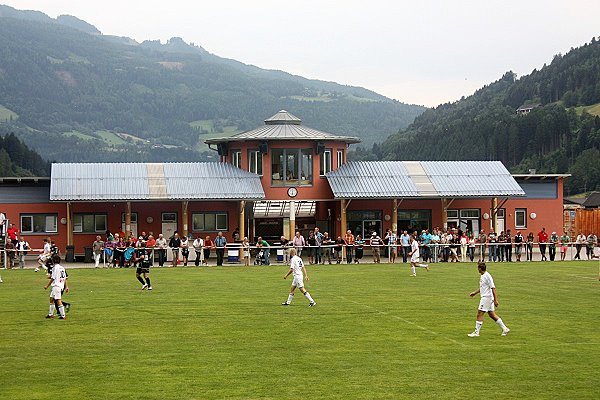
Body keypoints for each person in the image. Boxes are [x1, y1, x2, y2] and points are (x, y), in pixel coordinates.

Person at [467, 262, 510, 337]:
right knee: (492, 315)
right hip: (486, 297)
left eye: (478, 268)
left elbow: (493, 288)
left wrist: (496, 300)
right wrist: (475, 293)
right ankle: (505, 328)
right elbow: (482, 287)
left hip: (487, 298)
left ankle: (476, 332)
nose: (477, 270)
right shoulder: (482, 276)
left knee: (479, 313)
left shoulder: (487, 276)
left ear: (480, 269)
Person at [44, 255, 69, 319]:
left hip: (56, 286)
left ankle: (63, 316)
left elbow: (53, 278)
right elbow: (65, 278)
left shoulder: (55, 268)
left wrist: (47, 286)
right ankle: (50, 314)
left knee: (58, 300)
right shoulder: (62, 268)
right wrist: (66, 286)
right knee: (51, 299)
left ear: (53, 260)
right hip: (60, 285)